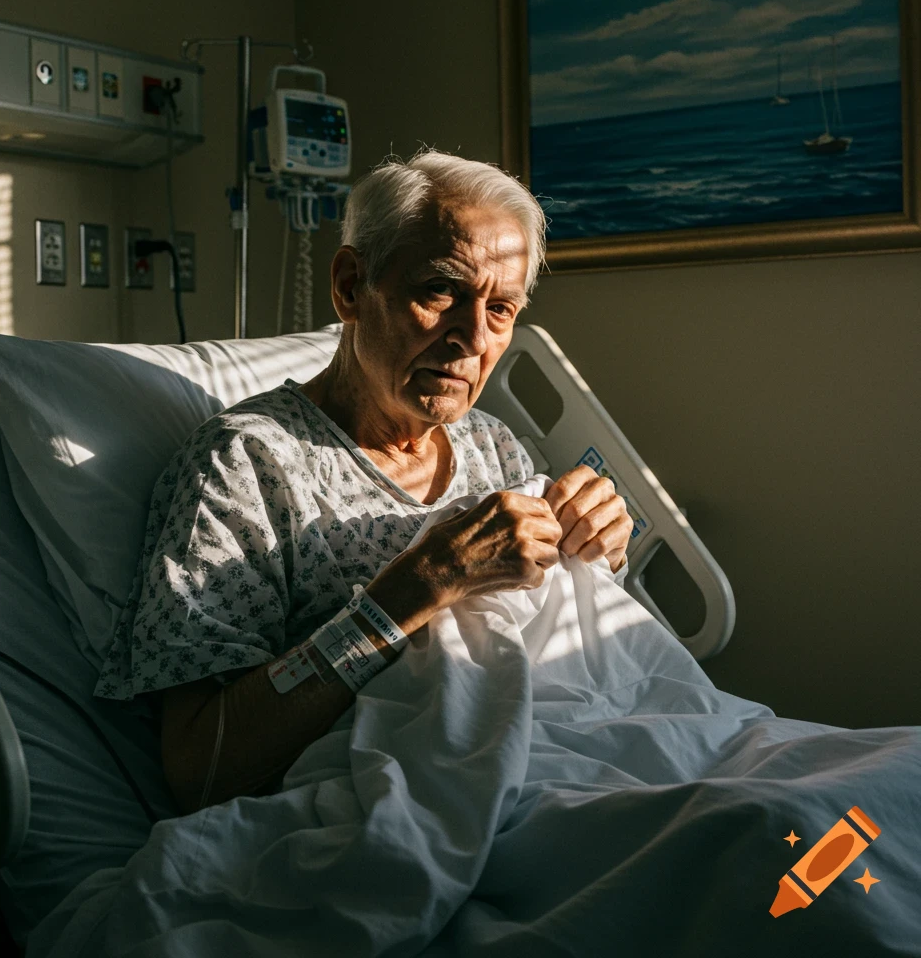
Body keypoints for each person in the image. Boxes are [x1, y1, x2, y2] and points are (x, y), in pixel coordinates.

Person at [94, 149, 634, 813]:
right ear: (351, 285)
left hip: (562, 767)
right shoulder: (245, 468)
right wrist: (418, 587)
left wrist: (596, 553)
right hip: (401, 806)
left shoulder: (495, 447)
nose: (472, 340)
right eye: (441, 291)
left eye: (500, 309)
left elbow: (563, 661)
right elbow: (200, 767)